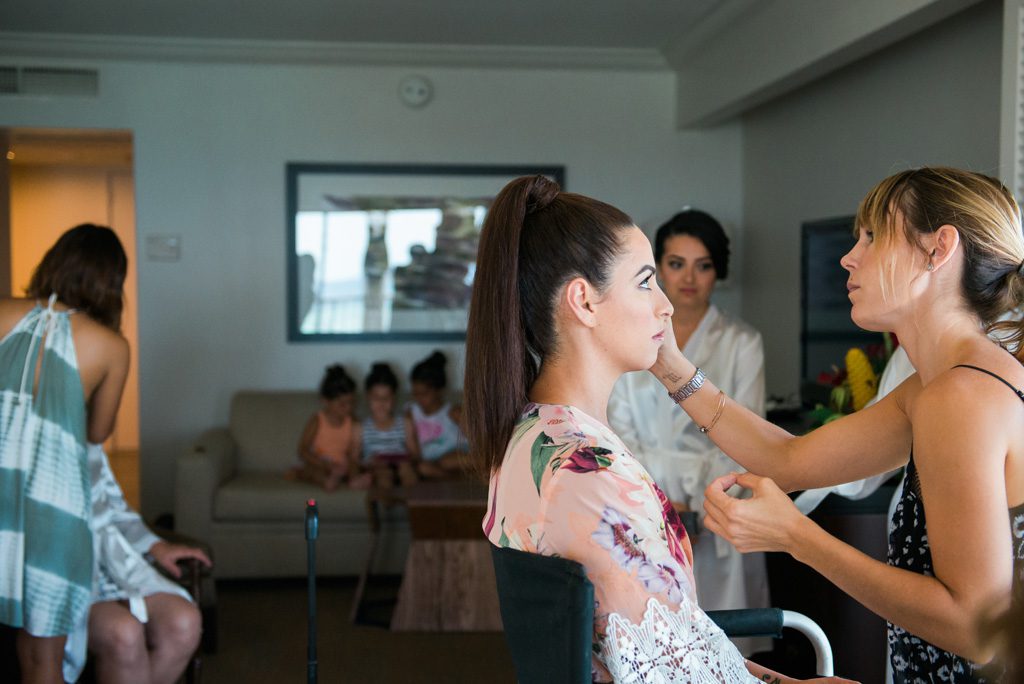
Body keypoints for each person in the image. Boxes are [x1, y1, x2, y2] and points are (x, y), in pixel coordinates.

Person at [467, 175, 853, 683]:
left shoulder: (528, 437)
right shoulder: (592, 477)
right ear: (584, 302)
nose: (666, 305)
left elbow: (682, 657)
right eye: (646, 281)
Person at [650, 167, 1024, 682]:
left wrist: (796, 536)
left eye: (872, 236)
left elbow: (975, 629)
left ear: (938, 249)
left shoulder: (959, 397)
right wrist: (668, 364)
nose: (849, 257)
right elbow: (788, 459)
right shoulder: (940, 386)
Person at [607, 208, 769, 625]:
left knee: (724, 630)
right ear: (658, 268)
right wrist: (659, 504)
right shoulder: (630, 337)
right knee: (654, 628)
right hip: (643, 503)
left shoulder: (742, 343)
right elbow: (617, 429)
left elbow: (746, 438)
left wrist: (698, 509)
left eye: (704, 265)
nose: (689, 278)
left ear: (719, 271)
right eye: (677, 264)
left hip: (718, 504)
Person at [0, 224, 131, 683]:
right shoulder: (111, 346)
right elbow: (97, 433)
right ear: (112, 281)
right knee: (42, 659)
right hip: (53, 510)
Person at [65, 444, 210, 684]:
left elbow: (114, 508)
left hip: (113, 567)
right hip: (67, 574)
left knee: (184, 622)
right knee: (123, 633)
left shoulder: (90, 443)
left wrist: (157, 546)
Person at [287, 364, 359, 491]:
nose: (348, 408)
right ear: (325, 401)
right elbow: (302, 450)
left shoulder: (353, 421)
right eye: (342, 404)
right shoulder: (317, 420)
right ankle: (326, 481)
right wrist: (325, 464)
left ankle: (354, 481)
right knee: (314, 472)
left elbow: (354, 451)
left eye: (351, 402)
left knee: (355, 466)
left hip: (340, 467)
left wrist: (348, 465)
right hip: (319, 464)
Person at [353, 362, 419, 489]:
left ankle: (412, 499)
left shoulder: (405, 423)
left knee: (406, 470)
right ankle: (386, 500)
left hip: (401, 466)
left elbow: (415, 454)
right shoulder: (360, 427)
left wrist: (406, 460)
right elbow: (354, 459)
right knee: (383, 473)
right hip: (376, 468)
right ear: (368, 397)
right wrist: (367, 464)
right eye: (376, 398)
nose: (381, 403)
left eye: (386, 398)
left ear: (394, 398)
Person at [409, 351, 468, 478]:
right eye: (415, 393)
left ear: (439, 391)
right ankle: (452, 478)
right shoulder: (411, 413)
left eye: (424, 394)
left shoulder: (453, 412)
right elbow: (413, 450)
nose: (419, 399)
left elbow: (479, 443)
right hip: (430, 465)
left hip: (459, 459)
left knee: (447, 462)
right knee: (424, 468)